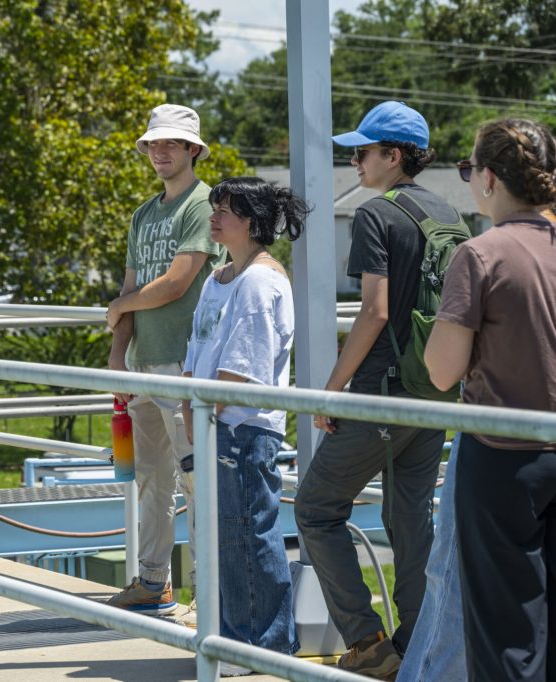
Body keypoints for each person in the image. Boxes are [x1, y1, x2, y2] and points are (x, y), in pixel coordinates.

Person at [425, 118, 556, 681]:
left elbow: (441, 371)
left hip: (501, 458)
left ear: (486, 177)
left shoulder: (479, 255)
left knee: (506, 632)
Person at [294, 101, 459, 680]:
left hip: (381, 393)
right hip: (434, 393)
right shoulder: (450, 214)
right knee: (411, 520)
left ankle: (366, 642)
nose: (355, 161)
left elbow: (373, 312)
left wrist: (332, 392)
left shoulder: (375, 215)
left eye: (362, 152)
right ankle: (417, 643)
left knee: (315, 508)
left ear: (394, 156)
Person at [181, 177, 307, 669]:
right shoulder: (219, 277)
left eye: (224, 211)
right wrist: (191, 404)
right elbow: (198, 346)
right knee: (225, 537)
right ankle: (236, 637)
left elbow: (244, 362)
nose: (213, 218)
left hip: (243, 426)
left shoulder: (260, 280)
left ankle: (266, 645)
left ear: (251, 223)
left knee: (249, 533)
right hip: (214, 421)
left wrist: (203, 410)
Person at [105, 104, 225, 616]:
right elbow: (132, 289)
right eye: (154, 144)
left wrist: (118, 307)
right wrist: (117, 353)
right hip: (143, 363)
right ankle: (154, 579)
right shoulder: (143, 213)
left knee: (198, 479)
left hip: (187, 363)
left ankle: (207, 592)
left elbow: (178, 282)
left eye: (171, 144)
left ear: (193, 149)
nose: (160, 152)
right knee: (152, 477)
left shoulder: (205, 204)